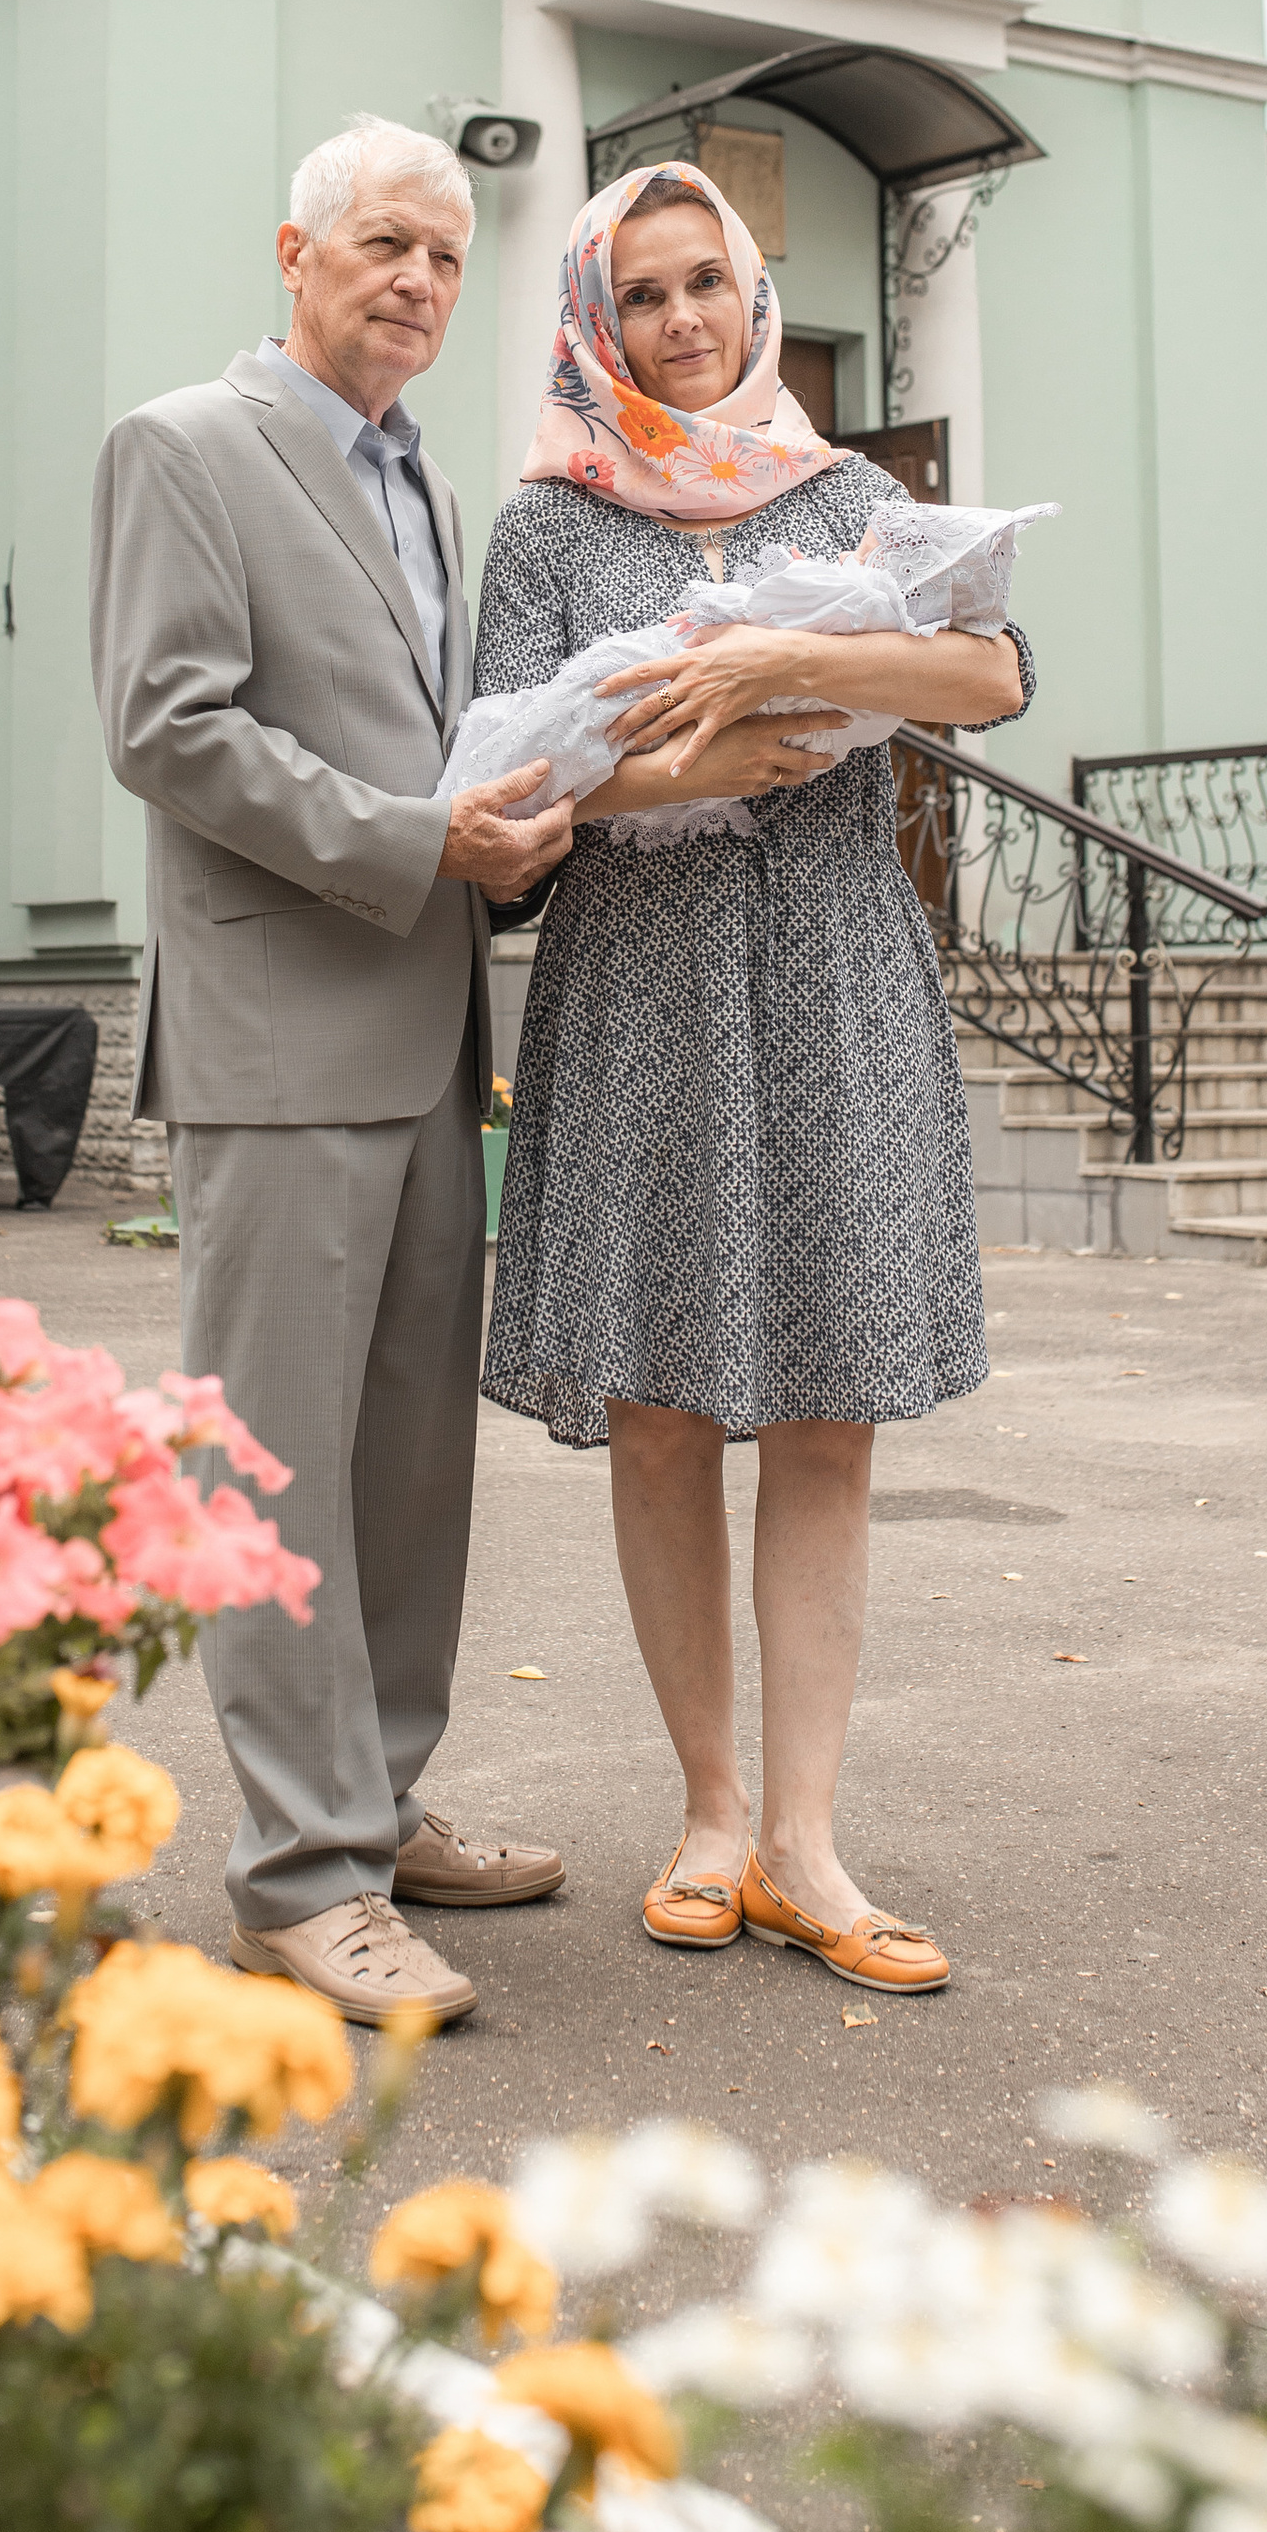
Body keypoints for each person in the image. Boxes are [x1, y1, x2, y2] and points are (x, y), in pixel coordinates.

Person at [474, 162, 1034, 1992]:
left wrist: (795, 650)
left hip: (829, 973)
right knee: (659, 1409)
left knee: (825, 1407)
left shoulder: (851, 495)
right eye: (643, 294)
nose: (685, 319)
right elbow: (500, 772)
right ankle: (710, 1812)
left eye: (707, 279)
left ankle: (805, 1841)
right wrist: (687, 757)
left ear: (753, 293)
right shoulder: (548, 528)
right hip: (640, 988)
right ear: (595, 320)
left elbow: (996, 672)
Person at [88, 116, 574, 2028]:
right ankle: (298, 1879)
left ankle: (373, 1804)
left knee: (403, 1471)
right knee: (277, 1471)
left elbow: (421, 735)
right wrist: (411, 845)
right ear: (292, 252)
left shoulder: (426, 484)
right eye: (386, 245)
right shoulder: (187, 447)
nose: (420, 286)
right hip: (284, 1036)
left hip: (430, 1024)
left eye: (449, 260)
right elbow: (167, 724)